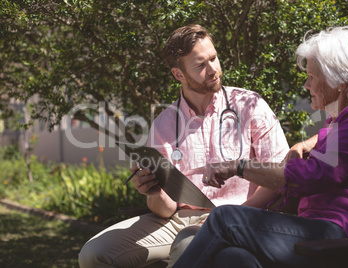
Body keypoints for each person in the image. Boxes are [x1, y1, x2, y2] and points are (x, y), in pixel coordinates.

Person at [173, 26, 348, 268]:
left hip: (347, 239)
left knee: (225, 219)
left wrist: (238, 166)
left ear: (340, 82)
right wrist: (307, 143)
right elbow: (343, 151)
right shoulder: (344, 121)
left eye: (312, 76)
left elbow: (312, 177)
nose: (306, 85)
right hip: (327, 233)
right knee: (233, 259)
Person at [78, 24, 289, 267]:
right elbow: (165, 209)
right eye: (201, 65)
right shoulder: (164, 124)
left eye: (214, 58)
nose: (213, 70)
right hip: (179, 220)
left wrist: (226, 217)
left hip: (241, 216)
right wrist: (153, 191)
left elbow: (278, 177)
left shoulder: (250, 106)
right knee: (93, 254)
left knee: (188, 248)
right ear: (178, 74)